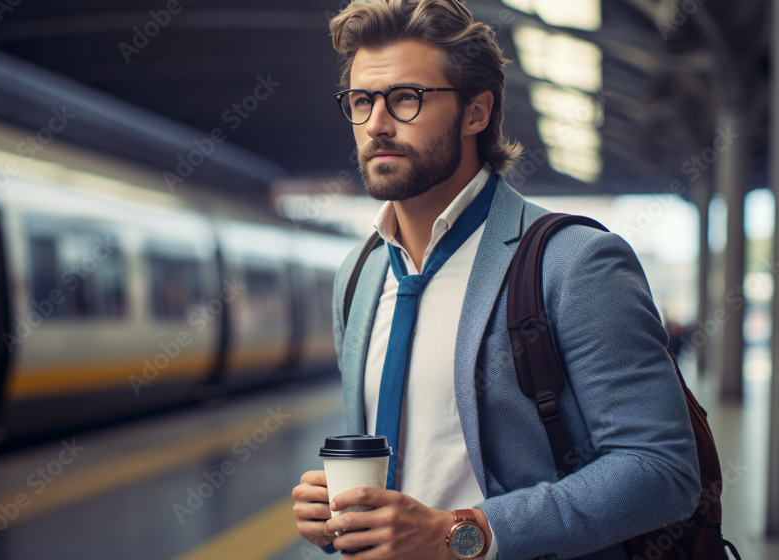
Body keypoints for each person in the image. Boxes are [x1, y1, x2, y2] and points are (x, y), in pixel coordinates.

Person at [291, 1, 700, 558]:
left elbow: (661, 472)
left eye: (406, 98)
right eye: (362, 102)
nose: (377, 124)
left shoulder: (574, 262)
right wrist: (337, 513)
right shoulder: (358, 276)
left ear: (476, 112)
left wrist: (462, 533)